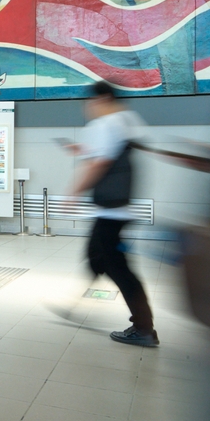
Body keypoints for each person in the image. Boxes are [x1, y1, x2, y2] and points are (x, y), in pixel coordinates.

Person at [69, 81, 157, 346]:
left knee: (117, 267)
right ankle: (74, 302)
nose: (89, 107)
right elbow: (109, 156)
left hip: (112, 210)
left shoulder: (106, 123)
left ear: (103, 98)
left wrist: (74, 192)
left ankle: (144, 328)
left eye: (91, 101)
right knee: (97, 255)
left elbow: (101, 163)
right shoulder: (126, 119)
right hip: (117, 207)